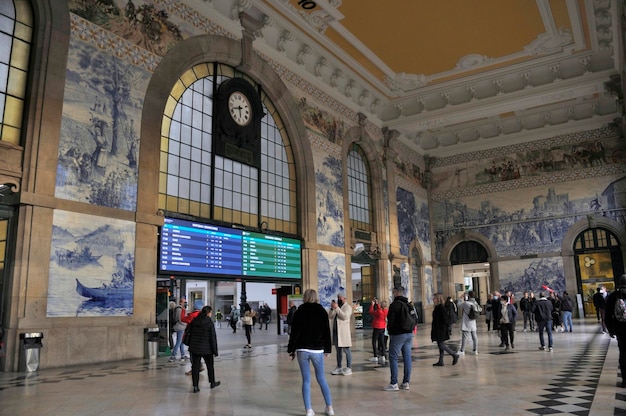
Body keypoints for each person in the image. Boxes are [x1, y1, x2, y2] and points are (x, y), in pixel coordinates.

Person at [288, 289, 334, 416]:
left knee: (306, 380)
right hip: (317, 349)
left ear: (305, 297)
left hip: (302, 349)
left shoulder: (299, 311)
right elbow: (326, 331)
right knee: (321, 379)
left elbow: (294, 333)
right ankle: (329, 408)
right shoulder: (321, 311)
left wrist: (291, 350)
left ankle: (309, 410)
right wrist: (328, 349)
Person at [384, 286, 416, 390]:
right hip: (409, 333)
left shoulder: (394, 305)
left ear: (396, 293)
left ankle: (394, 383)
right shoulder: (408, 304)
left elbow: (391, 320)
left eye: (393, 292)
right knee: (407, 357)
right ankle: (406, 382)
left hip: (398, 334)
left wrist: (390, 331)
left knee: (393, 357)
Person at [187, 305, 220, 393]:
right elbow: (213, 338)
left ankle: (195, 386)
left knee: (195, 367)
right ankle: (212, 382)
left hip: (195, 348)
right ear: (209, 313)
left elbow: (188, 332)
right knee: (210, 366)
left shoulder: (195, 320)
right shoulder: (209, 322)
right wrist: (215, 351)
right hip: (207, 349)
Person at [605, 274, 626, 387]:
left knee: (623, 353)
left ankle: (625, 379)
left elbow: (608, 315)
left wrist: (610, 329)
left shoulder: (614, 296)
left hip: (620, 329)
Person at [431, 293, 459, 367]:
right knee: (440, 345)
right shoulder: (437, 307)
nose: (433, 300)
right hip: (438, 329)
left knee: (441, 345)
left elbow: (446, 319)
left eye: (434, 298)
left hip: (441, 329)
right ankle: (441, 360)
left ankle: (454, 354)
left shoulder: (441, 308)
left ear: (438, 299)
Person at [329, 293, 353, 376]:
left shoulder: (348, 307)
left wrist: (337, 308)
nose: (339, 299)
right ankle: (339, 366)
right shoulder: (337, 307)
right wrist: (332, 309)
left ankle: (349, 367)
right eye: (338, 298)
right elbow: (331, 316)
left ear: (344, 298)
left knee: (346, 349)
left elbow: (345, 317)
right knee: (338, 350)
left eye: (340, 298)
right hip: (336, 332)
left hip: (343, 332)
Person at [181, 301, 204, 376]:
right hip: (200, 337)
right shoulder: (202, 315)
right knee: (197, 353)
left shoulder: (192, 315)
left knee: (192, 354)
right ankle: (199, 366)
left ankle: (194, 369)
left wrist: (183, 309)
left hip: (192, 337)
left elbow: (182, 319)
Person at [457, 291, 482, 355]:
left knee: (464, 336)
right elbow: (480, 309)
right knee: (474, 336)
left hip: (467, 322)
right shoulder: (475, 303)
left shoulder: (466, 303)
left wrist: (461, 298)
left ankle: (462, 350)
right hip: (473, 321)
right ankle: (475, 350)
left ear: (468, 296)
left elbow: (458, 305)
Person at [368, 297, 388, 365]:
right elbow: (380, 310)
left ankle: (375, 356)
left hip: (377, 326)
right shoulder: (386, 311)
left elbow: (371, 311)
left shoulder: (379, 311)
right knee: (382, 341)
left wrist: (372, 305)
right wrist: (377, 304)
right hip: (383, 327)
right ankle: (382, 355)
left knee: (374, 341)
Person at [169, 296, 188, 362]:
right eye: (184, 302)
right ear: (181, 302)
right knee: (179, 341)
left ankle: (182, 354)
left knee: (181, 341)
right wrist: (185, 324)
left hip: (180, 326)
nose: (185, 303)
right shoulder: (179, 309)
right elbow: (181, 319)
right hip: (180, 327)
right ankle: (173, 355)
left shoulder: (180, 308)